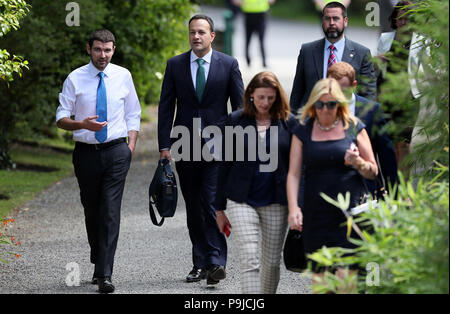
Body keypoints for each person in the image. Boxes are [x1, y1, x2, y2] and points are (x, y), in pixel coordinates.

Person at [157, 14, 244, 285]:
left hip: (219, 147)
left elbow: (240, 108)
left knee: (211, 202)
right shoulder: (175, 65)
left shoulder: (228, 64)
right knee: (193, 206)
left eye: (201, 32)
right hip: (184, 145)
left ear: (212, 36)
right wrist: (164, 146)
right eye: (192, 32)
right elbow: (165, 107)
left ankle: (216, 261)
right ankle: (199, 264)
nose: (196, 36)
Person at [56, 29, 141, 293]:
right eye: (97, 49)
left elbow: (133, 113)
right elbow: (61, 117)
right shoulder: (75, 78)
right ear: (88, 49)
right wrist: (81, 124)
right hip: (85, 153)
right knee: (92, 209)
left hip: (117, 152)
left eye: (107, 50)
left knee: (109, 210)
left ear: (113, 50)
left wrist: (131, 146)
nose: (102, 55)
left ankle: (105, 273)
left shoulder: (123, 76)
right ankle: (98, 256)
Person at [286, 78, 378, 290]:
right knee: (322, 284)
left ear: (340, 104)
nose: (326, 109)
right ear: (313, 105)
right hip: (316, 216)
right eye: (320, 104)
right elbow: (293, 173)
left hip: (348, 216)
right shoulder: (303, 130)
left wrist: (358, 163)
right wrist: (293, 208)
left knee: (347, 283)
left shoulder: (354, 127)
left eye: (331, 104)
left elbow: (373, 171)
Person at [214, 71, 298, 294]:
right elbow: (224, 165)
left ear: (277, 97)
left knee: (271, 263)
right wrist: (219, 208)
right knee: (250, 259)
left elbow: (299, 168)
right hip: (241, 198)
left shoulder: (290, 124)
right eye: (261, 97)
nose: (265, 102)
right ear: (251, 94)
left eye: (270, 98)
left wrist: (298, 206)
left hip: (276, 200)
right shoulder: (235, 121)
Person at [290, 1, 376, 115]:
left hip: (347, 120)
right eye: (327, 19)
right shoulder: (307, 51)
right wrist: (292, 125)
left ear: (345, 22)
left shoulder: (362, 53)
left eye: (336, 18)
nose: (331, 23)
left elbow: (369, 95)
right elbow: (297, 92)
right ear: (322, 22)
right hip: (310, 120)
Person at [327, 62, 397, 197]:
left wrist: (393, 196)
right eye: (333, 88)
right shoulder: (320, 109)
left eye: (343, 89)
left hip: (366, 189)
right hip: (331, 190)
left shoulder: (372, 111)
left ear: (354, 85)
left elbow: (387, 157)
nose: (337, 94)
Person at [375, 1, 416, 171]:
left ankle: (405, 187)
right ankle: (393, 182)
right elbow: (376, 70)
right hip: (386, 95)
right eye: (400, 19)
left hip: (408, 97)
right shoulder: (386, 39)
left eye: (407, 19)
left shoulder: (419, 42)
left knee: (404, 143)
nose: (403, 23)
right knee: (390, 142)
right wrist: (378, 60)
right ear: (394, 20)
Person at [232, 0, 276, 67]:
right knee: (248, 40)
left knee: (260, 41)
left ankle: (264, 62)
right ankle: (248, 60)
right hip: (249, 16)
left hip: (261, 16)